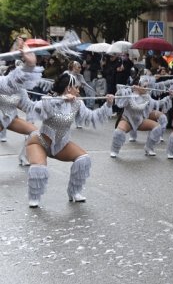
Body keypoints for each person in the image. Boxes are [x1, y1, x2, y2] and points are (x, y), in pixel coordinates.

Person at [25, 73, 115, 207]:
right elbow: (38, 106)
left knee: (83, 159)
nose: (78, 91)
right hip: (40, 143)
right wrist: (61, 100)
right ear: (68, 88)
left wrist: (108, 104)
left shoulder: (77, 103)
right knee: (39, 168)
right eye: (76, 87)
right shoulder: (51, 100)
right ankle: (34, 197)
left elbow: (92, 117)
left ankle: (74, 192)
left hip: (60, 145)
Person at [110, 75, 173, 158]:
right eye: (145, 86)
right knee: (118, 132)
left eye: (147, 86)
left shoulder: (147, 97)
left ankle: (149, 148)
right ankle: (114, 150)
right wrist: (122, 92)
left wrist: (169, 97)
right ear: (137, 86)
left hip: (140, 121)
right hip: (127, 120)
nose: (147, 88)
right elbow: (120, 102)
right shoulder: (129, 94)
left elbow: (158, 103)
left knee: (157, 127)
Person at [0, 39, 41, 167]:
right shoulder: (3, 82)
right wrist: (29, 66)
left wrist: (55, 101)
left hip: (10, 118)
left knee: (35, 132)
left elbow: (29, 106)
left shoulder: (19, 89)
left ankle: (24, 157)